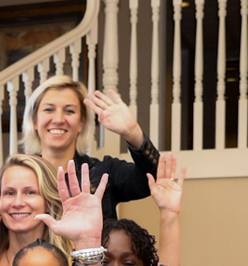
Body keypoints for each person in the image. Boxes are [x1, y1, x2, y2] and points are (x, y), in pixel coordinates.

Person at [24, 73, 161, 221]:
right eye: (49, 110)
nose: (58, 119)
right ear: (35, 120)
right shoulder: (20, 175)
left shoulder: (103, 173)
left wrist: (132, 132)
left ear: (81, 123)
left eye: (69, 111)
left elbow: (154, 179)